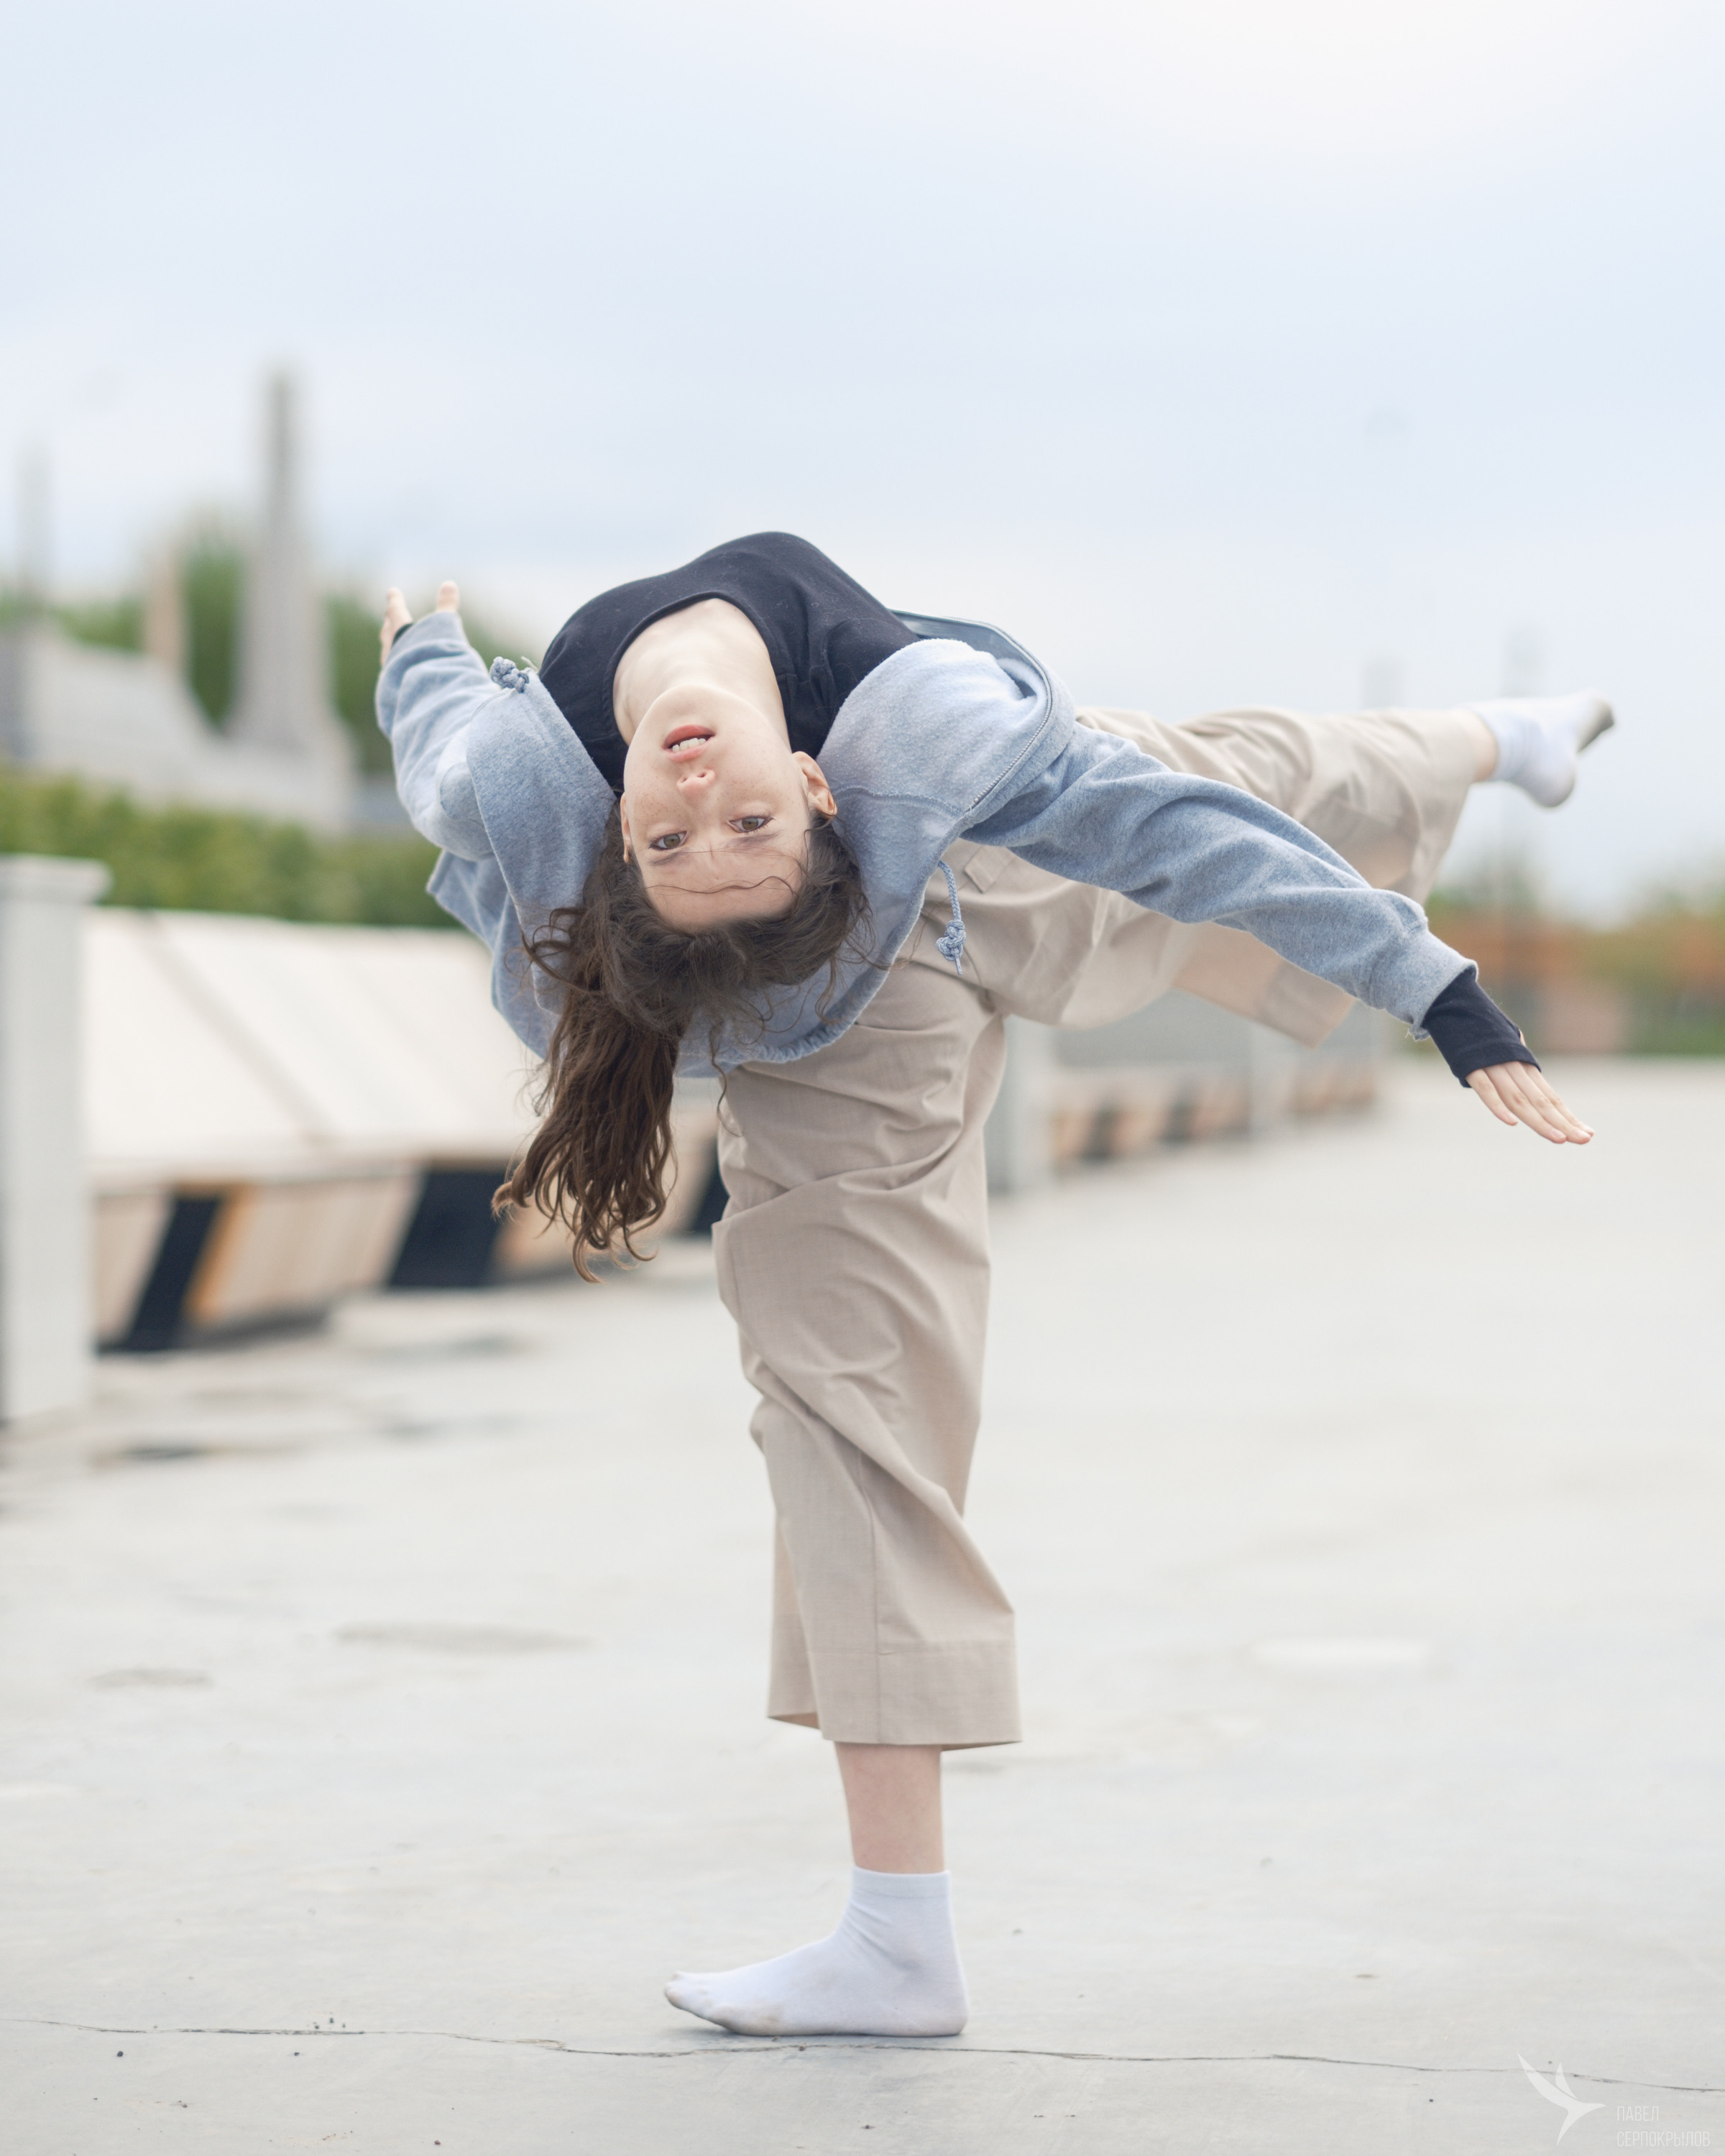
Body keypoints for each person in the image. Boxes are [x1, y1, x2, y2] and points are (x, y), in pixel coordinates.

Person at [377, 532, 1607, 2041]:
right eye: (690, 831)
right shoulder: (560, 811)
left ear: (821, 790)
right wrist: (416, 644)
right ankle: (899, 1944)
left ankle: (1497, 738)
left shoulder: (918, 737)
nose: (694, 798)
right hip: (809, 1006)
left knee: (1229, 772)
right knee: (846, 1396)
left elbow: (1175, 831)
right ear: (610, 849)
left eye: (719, 821)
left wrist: (1445, 997)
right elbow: (446, 733)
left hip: (972, 850)